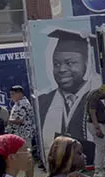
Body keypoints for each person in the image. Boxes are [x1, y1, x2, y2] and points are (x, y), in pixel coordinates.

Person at [37, 29, 101, 161]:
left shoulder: (96, 96)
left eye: (70, 63)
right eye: (57, 64)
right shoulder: (43, 102)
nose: (62, 69)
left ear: (86, 64)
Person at [84, 86, 105, 176]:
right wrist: (97, 127)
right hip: (96, 124)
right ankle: (98, 170)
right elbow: (92, 113)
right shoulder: (95, 98)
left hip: (95, 124)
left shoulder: (93, 96)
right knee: (101, 147)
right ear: (102, 92)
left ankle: (100, 168)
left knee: (101, 147)